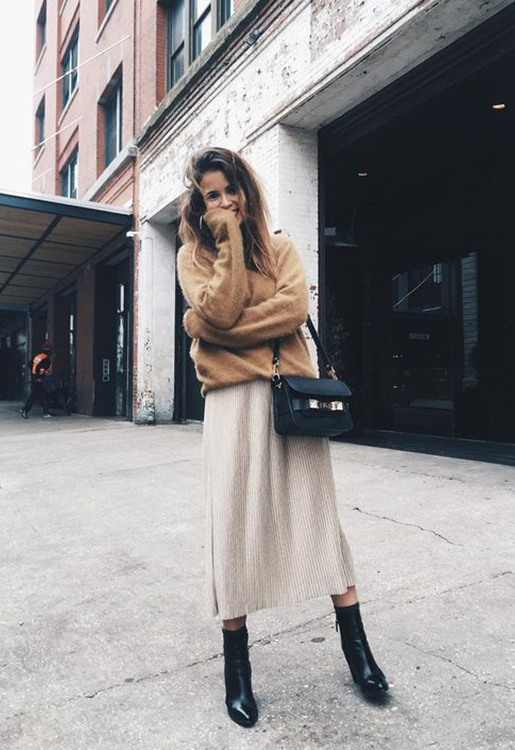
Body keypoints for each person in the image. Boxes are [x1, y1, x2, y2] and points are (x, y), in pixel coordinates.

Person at [176, 147, 389, 728]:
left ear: (247, 189)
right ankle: (237, 672)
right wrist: (224, 249)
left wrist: (208, 328)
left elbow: (289, 311)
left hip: (290, 401)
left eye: (231, 190)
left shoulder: (282, 248)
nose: (225, 202)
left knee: (316, 519)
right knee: (232, 528)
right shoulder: (193, 257)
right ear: (200, 205)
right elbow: (219, 306)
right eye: (212, 196)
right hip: (230, 406)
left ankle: (358, 653)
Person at [20, 342, 54, 419]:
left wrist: (34, 373)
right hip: (39, 379)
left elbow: (30, 363)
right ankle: (24, 410)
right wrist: (40, 377)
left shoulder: (39, 356)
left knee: (43, 394)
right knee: (34, 395)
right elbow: (42, 369)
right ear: (49, 350)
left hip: (35, 377)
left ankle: (46, 412)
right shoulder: (46, 359)